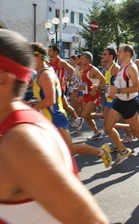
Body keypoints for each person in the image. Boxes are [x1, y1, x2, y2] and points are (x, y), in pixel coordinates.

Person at [0, 29, 108, 223]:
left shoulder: (21, 142)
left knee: (71, 149)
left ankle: (102, 152)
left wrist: (34, 104)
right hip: (45, 117)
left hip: (54, 117)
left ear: (4, 80)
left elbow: (91, 220)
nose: (48, 55)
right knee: (69, 152)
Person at [104, 45, 139, 166]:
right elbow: (118, 86)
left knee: (137, 131)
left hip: (130, 103)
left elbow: (136, 88)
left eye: (120, 51)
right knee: (107, 127)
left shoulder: (131, 68)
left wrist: (118, 91)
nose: (118, 53)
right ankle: (122, 150)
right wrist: (113, 93)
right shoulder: (121, 67)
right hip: (119, 102)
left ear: (127, 54)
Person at [48, 44, 84, 130]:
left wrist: (67, 80)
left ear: (56, 52)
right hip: (52, 87)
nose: (48, 52)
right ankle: (77, 119)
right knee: (65, 105)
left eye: (50, 51)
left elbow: (71, 70)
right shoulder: (49, 61)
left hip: (59, 88)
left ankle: (59, 124)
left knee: (53, 105)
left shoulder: (61, 62)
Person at [78, 52, 106, 141]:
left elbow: (103, 80)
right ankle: (97, 133)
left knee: (85, 114)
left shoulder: (93, 69)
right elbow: (85, 83)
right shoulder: (83, 69)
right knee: (87, 116)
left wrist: (97, 90)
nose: (80, 60)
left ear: (88, 60)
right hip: (86, 95)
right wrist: (78, 88)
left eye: (82, 58)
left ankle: (104, 115)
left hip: (93, 96)